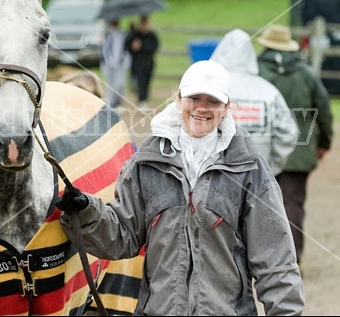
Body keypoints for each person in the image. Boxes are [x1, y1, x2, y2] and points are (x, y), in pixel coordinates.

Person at [56, 59, 305, 316]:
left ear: (226, 107)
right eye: (194, 98)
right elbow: (123, 236)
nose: (202, 108)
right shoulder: (146, 163)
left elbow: (276, 262)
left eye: (213, 101)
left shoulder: (250, 169)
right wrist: (86, 213)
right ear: (178, 99)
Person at [257, 24, 334, 265]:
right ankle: (292, 260)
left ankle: (261, 259)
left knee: (259, 204)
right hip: (299, 150)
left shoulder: (256, 71)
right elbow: (323, 110)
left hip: (262, 149)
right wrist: (324, 142)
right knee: (292, 205)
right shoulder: (305, 72)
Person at [210, 28, 298, 177]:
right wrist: (271, 166)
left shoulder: (208, 88)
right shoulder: (268, 91)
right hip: (256, 173)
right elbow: (288, 132)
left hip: (212, 172)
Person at [125, 14, 159, 110]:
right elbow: (128, 46)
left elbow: (154, 47)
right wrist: (130, 31)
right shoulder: (135, 34)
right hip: (138, 64)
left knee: (147, 82)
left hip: (148, 63)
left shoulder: (151, 35)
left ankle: (144, 100)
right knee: (140, 82)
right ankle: (141, 100)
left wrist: (141, 46)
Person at [100, 18, 130, 108]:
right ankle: (110, 103)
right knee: (109, 84)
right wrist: (109, 61)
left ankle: (118, 101)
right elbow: (104, 49)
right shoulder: (107, 34)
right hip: (108, 64)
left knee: (120, 83)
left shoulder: (122, 34)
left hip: (119, 64)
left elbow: (125, 49)